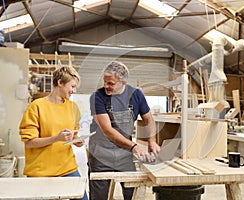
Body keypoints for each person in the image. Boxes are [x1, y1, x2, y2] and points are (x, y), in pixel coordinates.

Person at [88, 61, 160, 200]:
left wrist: (152, 141)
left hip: (125, 155)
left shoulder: (136, 94)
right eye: (105, 82)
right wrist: (134, 146)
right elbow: (107, 130)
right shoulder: (97, 97)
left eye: (111, 83)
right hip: (101, 154)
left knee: (132, 194)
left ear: (123, 82)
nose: (106, 86)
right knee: (99, 197)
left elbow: (148, 120)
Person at [19, 66, 88, 200]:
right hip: (40, 173)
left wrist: (77, 140)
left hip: (67, 169)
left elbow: (73, 135)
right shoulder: (36, 107)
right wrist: (56, 138)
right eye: (72, 86)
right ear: (60, 83)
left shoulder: (73, 107)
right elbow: (29, 143)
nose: (74, 91)